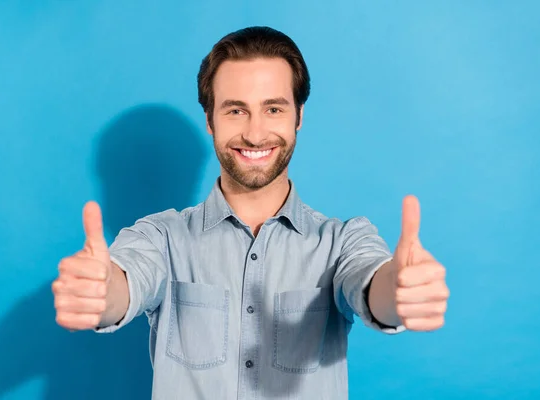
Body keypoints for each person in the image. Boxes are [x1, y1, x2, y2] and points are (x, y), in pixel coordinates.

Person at [52, 26, 450, 399]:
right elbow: (124, 283)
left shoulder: (343, 241)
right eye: (235, 110)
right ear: (210, 120)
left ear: (299, 117)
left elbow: (371, 283)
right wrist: (100, 295)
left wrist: (398, 293)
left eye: (273, 109)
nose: (256, 134)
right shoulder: (161, 237)